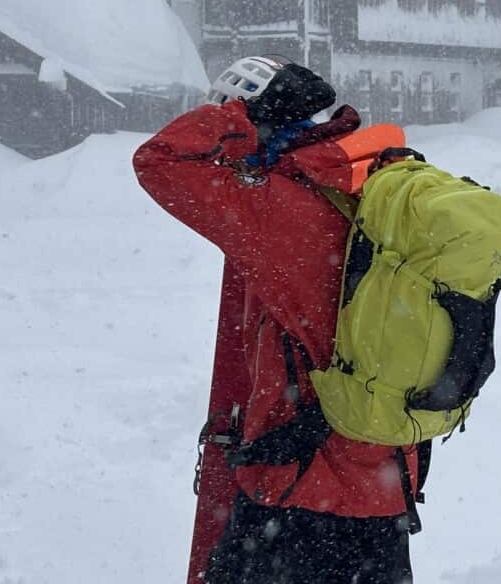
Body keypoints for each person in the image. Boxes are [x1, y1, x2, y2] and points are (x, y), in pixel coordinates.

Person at [134, 55, 416, 584]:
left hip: (298, 481)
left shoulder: (278, 205)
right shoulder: (378, 186)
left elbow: (160, 161)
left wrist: (234, 118)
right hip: (385, 473)